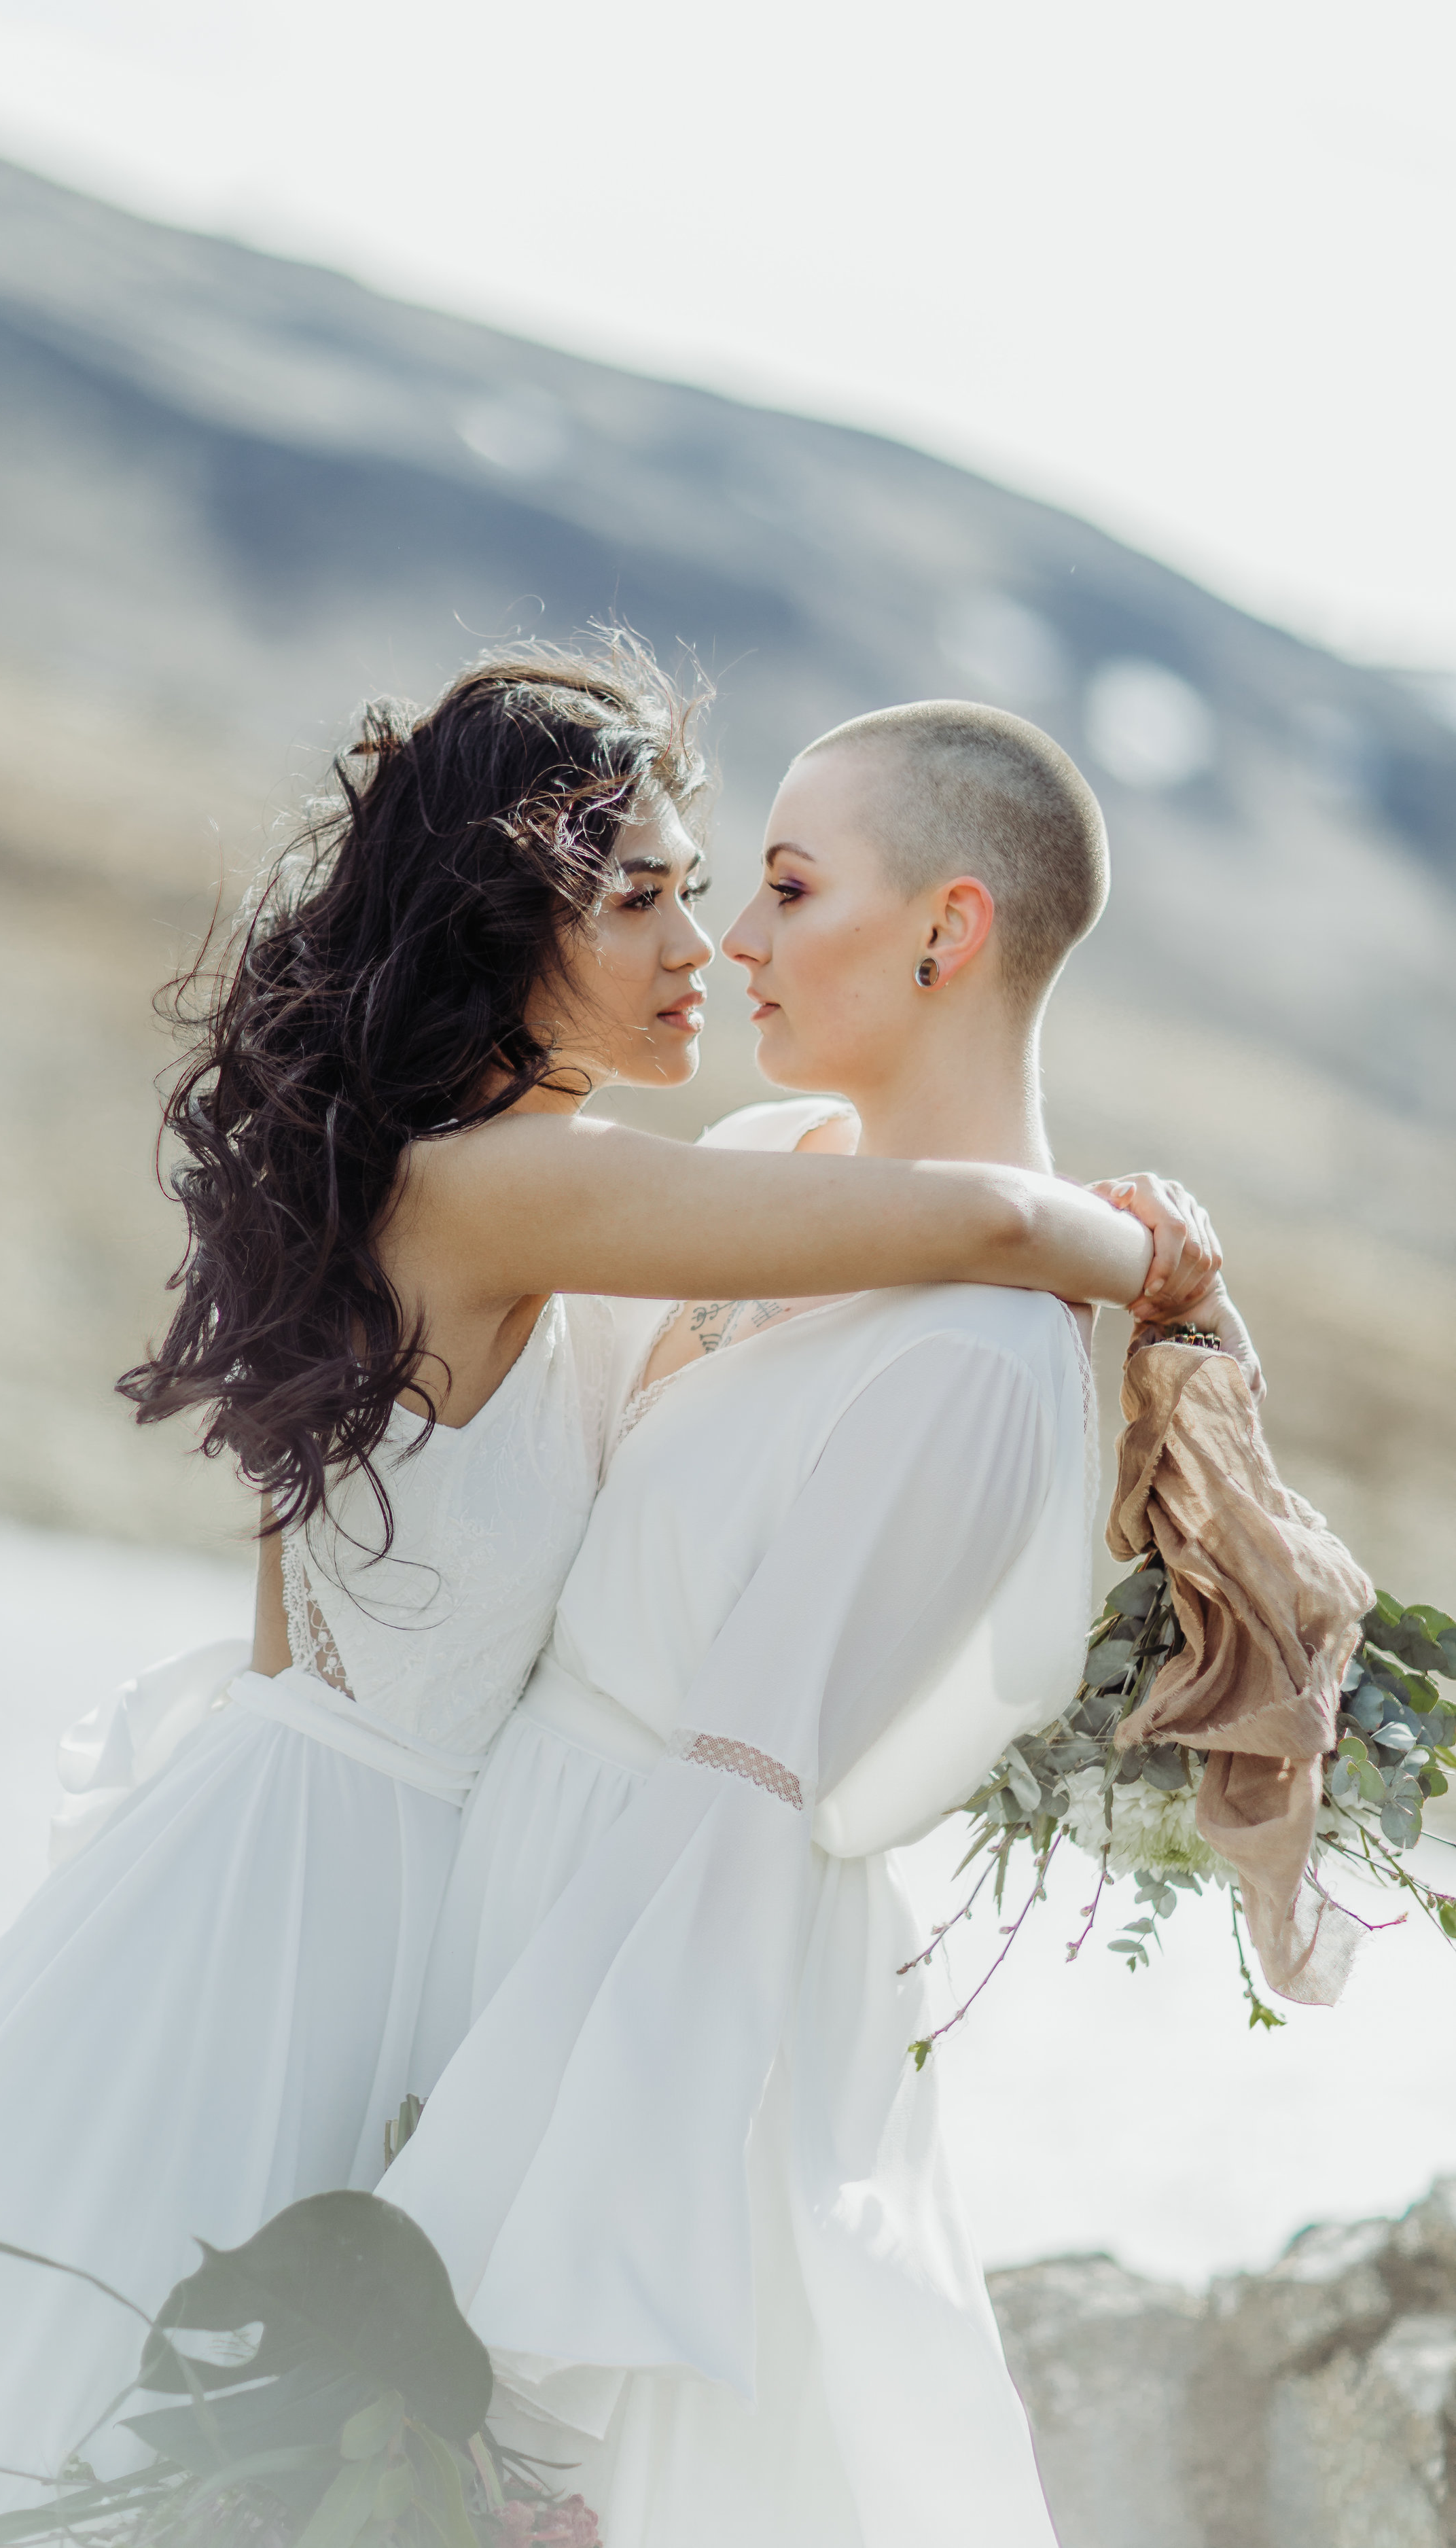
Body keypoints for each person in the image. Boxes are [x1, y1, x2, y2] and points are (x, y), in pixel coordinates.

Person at [0, 648, 1210, 2537]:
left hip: (351, 1839)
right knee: (175, 2422)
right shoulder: (505, 1186)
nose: (699, 941)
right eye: (642, 898)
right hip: (345, 1875)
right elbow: (999, 1226)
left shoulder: (481, 1171)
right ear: (496, 925)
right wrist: (1165, 1262)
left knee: (206, 2439)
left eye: (720, 885)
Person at [384, 698, 1256, 2547]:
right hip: (520, 1884)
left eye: (782, 888)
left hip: (634, 1973)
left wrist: (518, 2352)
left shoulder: (973, 1359)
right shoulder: (780, 1155)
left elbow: (732, 1821)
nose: (733, 945)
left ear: (947, 932)